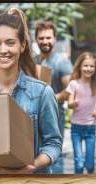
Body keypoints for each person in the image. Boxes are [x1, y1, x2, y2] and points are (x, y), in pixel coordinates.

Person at [0, 8, 62, 174]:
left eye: (10, 42)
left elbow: (53, 144)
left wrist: (32, 166)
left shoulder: (42, 93)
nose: (3, 50)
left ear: (22, 45)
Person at [34, 21, 73, 173]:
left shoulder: (61, 62)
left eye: (48, 38)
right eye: (41, 38)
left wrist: (49, 100)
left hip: (55, 115)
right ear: (36, 39)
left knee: (53, 153)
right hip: (34, 116)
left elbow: (69, 90)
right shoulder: (33, 61)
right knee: (36, 154)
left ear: (55, 39)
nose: (45, 41)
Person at [66, 52, 96, 174]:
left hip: (90, 128)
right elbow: (69, 104)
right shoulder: (74, 84)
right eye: (85, 66)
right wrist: (74, 104)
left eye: (91, 66)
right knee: (78, 162)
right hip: (76, 128)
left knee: (89, 165)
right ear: (80, 67)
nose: (88, 69)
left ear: (95, 68)